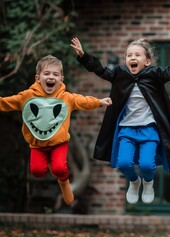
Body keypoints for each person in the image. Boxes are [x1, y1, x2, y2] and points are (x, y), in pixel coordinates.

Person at [70, 37, 170, 204]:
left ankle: (148, 182)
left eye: (137, 55)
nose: (132, 58)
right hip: (126, 129)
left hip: (149, 129)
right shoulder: (119, 74)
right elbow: (100, 70)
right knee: (123, 163)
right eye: (129, 55)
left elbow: (169, 71)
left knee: (146, 165)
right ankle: (134, 181)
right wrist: (83, 55)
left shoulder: (153, 74)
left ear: (147, 61)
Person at [0, 55, 112, 205]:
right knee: (37, 171)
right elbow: (7, 102)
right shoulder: (27, 97)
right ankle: (50, 165)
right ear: (38, 78)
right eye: (47, 73)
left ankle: (64, 183)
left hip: (59, 143)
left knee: (59, 168)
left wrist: (98, 102)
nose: (51, 77)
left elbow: (83, 101)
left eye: (55, 74)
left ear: (61, 79)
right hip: (37, 145)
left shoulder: (66, 98)